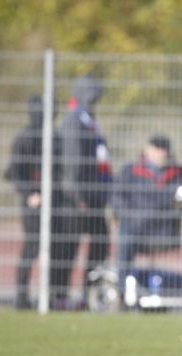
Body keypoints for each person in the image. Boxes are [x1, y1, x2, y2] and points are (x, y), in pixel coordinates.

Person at [6, 95, 67, 309]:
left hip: (55, 202)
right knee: (32, 247)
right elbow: (14, 172)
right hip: (34, 203)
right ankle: (22, 298)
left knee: (56, 249)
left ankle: (51, 297)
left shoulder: (55, 137)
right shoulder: (25, 138)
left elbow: (61, 170)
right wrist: (30, 193)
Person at [58, 76, 113, 309]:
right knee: (68, 247)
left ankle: (89, 293)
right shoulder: (73, 120)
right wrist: (78, 196)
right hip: (77, 199)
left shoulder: (89, 119)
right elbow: (72, 162)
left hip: (94, 197)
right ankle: (60, 296)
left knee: (100, 243)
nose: (95, 100)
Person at [111, 135, 182, 290]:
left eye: (163, 150)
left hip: (164, 229)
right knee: (126, 236)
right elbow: (117, 198)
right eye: (156, 149)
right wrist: (129, 216)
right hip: (135, 227)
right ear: (147, 150)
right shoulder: (130, 171)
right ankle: (122, 289)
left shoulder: (180, 173)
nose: (160, 154)